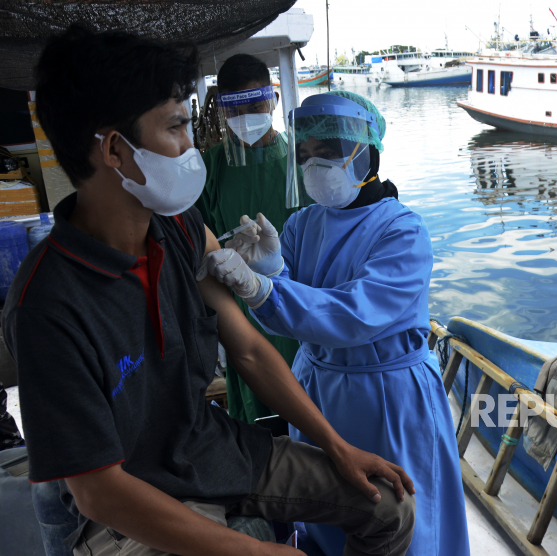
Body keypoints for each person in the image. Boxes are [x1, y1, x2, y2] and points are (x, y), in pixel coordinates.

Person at [3, 25, 416, 556]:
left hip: (205, 449)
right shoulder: (46, 304)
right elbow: (98, 492)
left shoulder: (178, 228)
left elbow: (245, 348)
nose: (191, 146)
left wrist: (336, 447)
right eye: (176, 127)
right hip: (121, 505)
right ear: (114, 149)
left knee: (388, 505)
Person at [200, 91, 470, 555]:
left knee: (399, 507)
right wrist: (273, 271)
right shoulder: (304, 223)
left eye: (327, 153)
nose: (313, 165)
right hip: (319, 390)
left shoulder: (402, 230)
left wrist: (264, 289)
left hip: (387, 394)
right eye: (304, 156)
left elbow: (354, 315)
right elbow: (298, 314)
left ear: (365, 153)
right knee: (325, 510)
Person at [195, 54, 303, 425]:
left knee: (308, 396)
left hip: (303, 307)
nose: (248, 117)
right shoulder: (208, 170)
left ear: (273, 99)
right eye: (235, 109)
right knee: (260, 415)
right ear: (221, 109)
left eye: (256, 104)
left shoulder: (300, 162)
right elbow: (199, 248)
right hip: (241, 313)